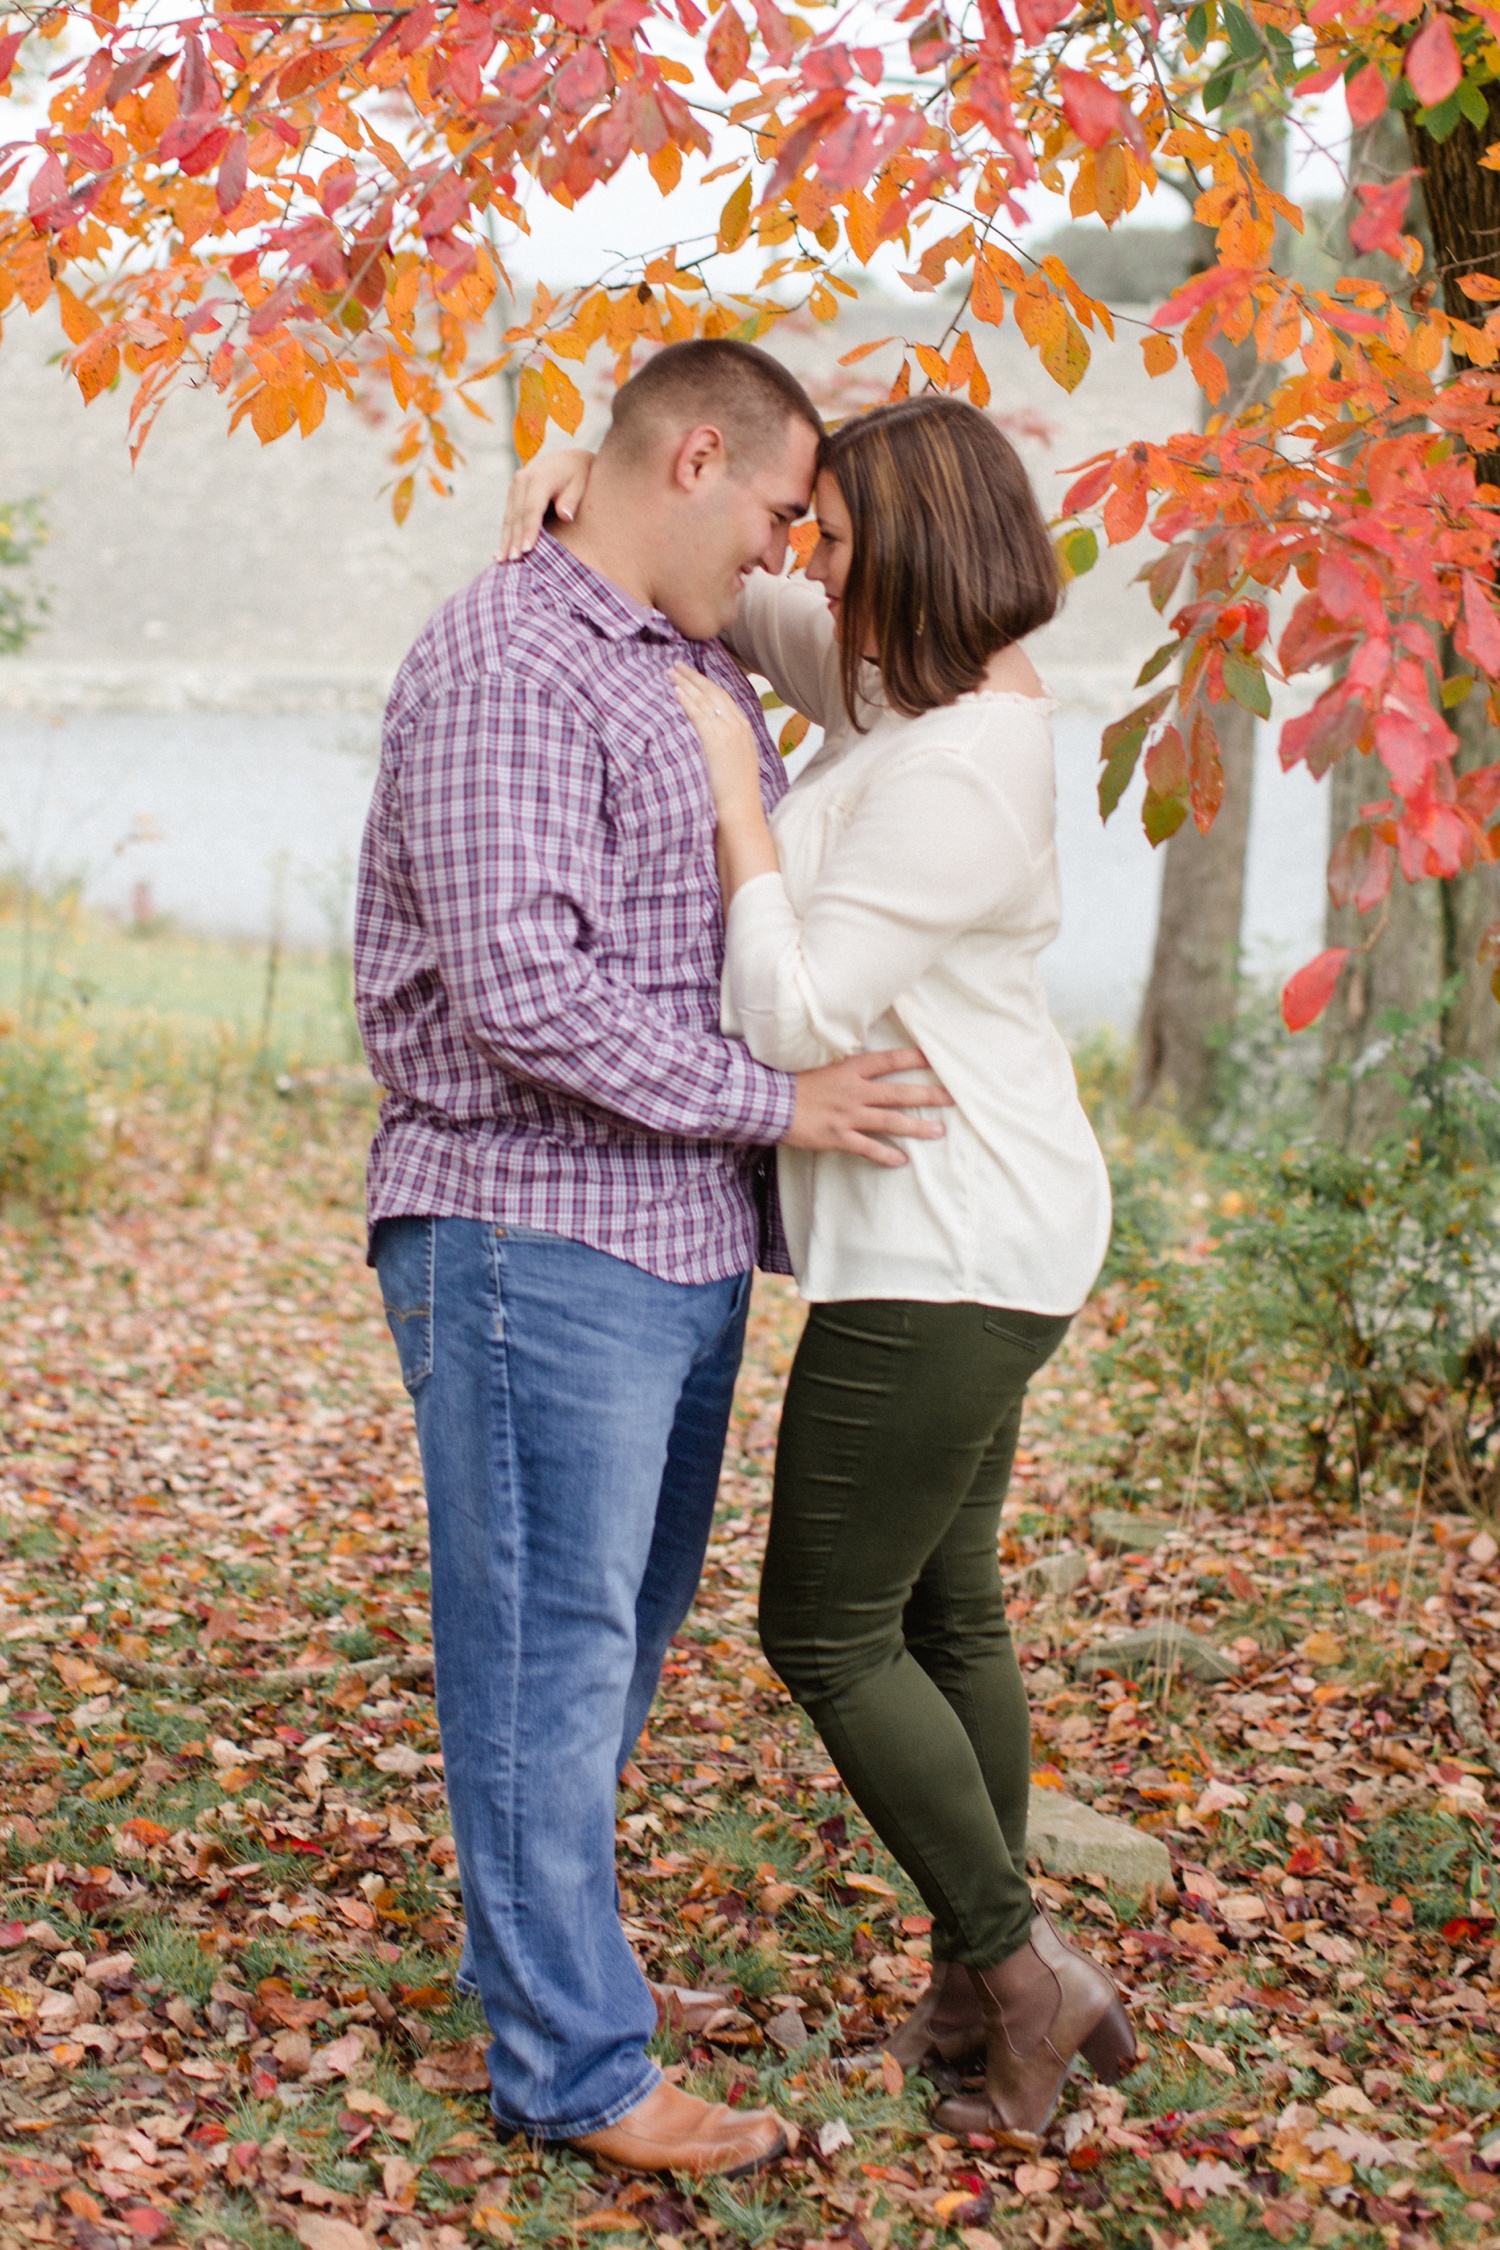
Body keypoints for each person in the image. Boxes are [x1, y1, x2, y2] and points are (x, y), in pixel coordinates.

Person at [353, 339, 953, 2180]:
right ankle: (573, 2066)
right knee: (546, 1657)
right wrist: (781, 1105)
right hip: (533, 1232)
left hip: (670, 1239)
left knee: (607, 1649)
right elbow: (524, 996)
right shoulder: (506, 659)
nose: (790, 555)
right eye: (780, 512)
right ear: (697, 458)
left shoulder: (679, 650)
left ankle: (546, 1971)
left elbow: (953, 663)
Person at [504, 394, 1135, 2142]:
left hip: (948, 1240)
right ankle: (968, 1979)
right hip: (968, 1220)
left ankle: (1023, 1972)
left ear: (911, 556)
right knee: (949, 1609)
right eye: (806, 527)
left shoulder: (961, 771)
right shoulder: (921, 689)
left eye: (838, 543)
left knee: (826, 1621)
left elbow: (788, 1012)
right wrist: (582, 476)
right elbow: (742, 600)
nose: (804, 567)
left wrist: (734, 799)